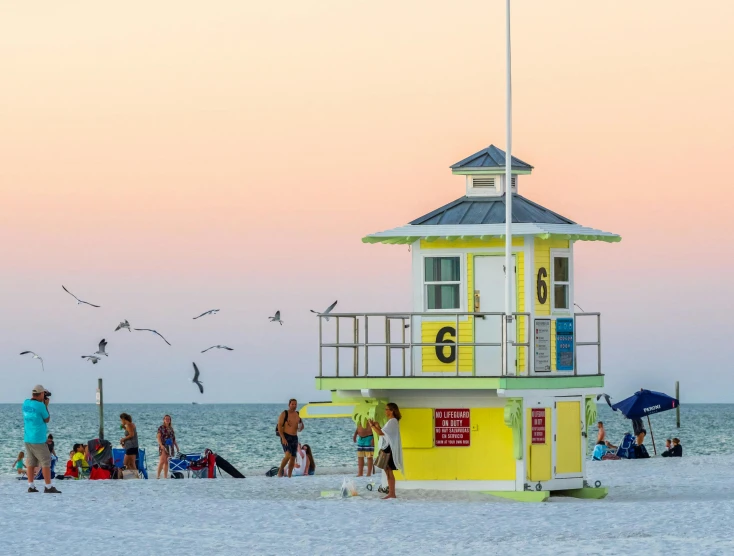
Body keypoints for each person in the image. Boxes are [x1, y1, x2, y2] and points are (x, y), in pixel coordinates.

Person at [22, 385, 60, 493]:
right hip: (38, 438)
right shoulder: (40, 406)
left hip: (27, 437)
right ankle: (48, 486)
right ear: (42, 394)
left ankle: (31, 486)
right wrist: (46, 405)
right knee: (46, 461)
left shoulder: (25, 403)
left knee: (31, 462)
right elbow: (47, 419)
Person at [369, 403, 404, 500]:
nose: (385, 411)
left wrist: (372, 426)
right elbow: (384, 433)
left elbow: (380, 433)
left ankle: (392, 493)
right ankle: (391, 493)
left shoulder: (392, 421)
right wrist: (377, 426)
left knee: (389, 471)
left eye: (387, 409)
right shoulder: (392, 421)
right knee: (387, 470)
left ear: (392, 410)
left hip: (389, 448)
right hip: (388, 447)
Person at [277, 399, 304, 478]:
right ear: (289, 405)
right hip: (286, 436)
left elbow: (301, 428)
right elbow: (279, 426)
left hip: (294, 437)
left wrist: (300, 425)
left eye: (295, 404)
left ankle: (289, 476)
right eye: (292, 404)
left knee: (293, 457)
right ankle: (280, 471)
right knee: (288, 455)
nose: (294, 406)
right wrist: (283, 438)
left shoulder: (298, 414)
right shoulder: (284, 413)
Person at [157, 414, 179, 479]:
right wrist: (161, 445)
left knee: (167, 461)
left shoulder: (171, 429)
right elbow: (158, 437)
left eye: (168, 419)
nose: (167, 420)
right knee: (162, 461)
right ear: (164, 420)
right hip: (163, 446)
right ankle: (158, 476)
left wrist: (177, 447)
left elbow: (173, 439)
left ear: (170, 420)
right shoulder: (161, 428)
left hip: (170, 447)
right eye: (166, 419)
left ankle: (165, 477)